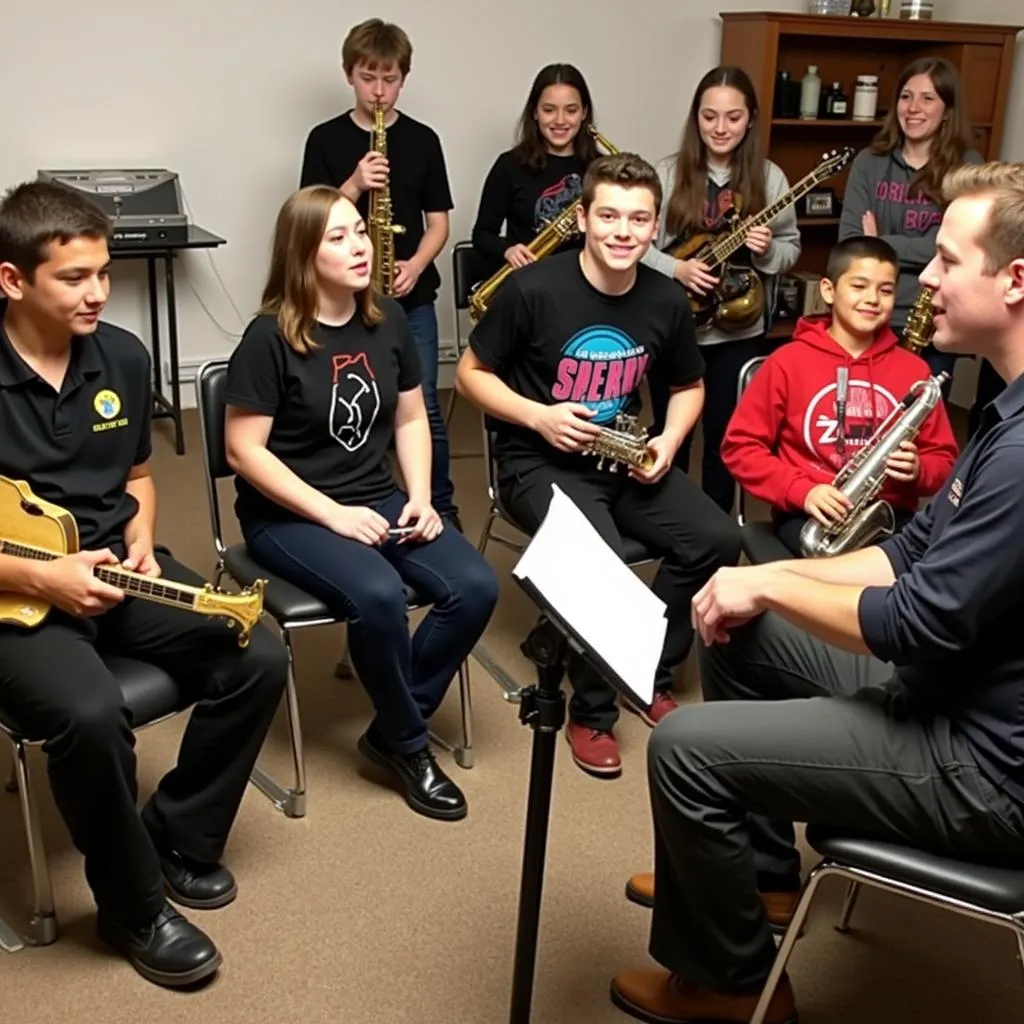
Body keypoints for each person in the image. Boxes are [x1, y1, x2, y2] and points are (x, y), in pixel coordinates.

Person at [612, 161, 1024, 1024]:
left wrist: (770, 583)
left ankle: (728, 986)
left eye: (948, 261)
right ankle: (753, 879)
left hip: (983, 766)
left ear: (1014, 281)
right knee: (740, 627)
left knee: (683, 747)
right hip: (947, 696)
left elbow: (913, 621)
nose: (927, 279)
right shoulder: (1005, 409)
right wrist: (759, 579)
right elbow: (910, 551)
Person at [0, 181, 288, 986]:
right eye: (73, 277)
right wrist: (41, 575)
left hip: (116, 571)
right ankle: (133, 908)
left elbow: (137, 474)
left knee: (255, 655)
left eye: (103, 273)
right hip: (18, 591)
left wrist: (141, 535)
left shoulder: (123, 355)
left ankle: (176, 837)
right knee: (91, 715)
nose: (97, 291)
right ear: (12, 280)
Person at [456, 152, 741, 778]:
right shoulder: (533, 289)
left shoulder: (665, 298)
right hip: (537, 460)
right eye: (608, 215)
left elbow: (689, 386)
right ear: (582, 216)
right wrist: (538, 416)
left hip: (624, 455)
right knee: (599, 559)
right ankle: (590, 712)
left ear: (655, 225)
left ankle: (643, 670)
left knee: (719, 538)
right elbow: (469, 375)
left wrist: (667, 442)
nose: (623, 231)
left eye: (639, 219)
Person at [223, 186, 497, 822]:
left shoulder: (387, 319)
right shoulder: (268, 338)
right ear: (302, 254)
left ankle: (389, 723)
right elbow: (244, 453)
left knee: (475, 585)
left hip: (377, 496)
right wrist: (332, 514)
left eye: (360, 232)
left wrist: (424, 499)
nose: (360, 247)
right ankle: (407, 745)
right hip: (289, 514)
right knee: (376, 595)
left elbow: (410, 419)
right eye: (338, 237)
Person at [299, 18, 459, 527]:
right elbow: (309, 219)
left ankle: (439, 507)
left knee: (424, 408)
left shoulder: (423, 139)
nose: (379, 90)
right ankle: (359, 500)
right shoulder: (324, 138)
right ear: (349, 75)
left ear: (403, 79)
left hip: (409, 297)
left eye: (389, 79)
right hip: (343, 302)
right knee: (348, 408)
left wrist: (415, 264)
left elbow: (439, 224)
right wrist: (353, 183)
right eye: (369, 77)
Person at [721, 235, 958, 556]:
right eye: (859, 286)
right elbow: (741, 449)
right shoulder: (786, 363)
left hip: (889, 513)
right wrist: (803, 491)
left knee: (929, 566)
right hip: (809, 513)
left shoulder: (914, 371)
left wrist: (920, 470)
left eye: (885, 290)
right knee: (836, 574)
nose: (873, 299)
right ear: (828, 291)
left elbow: (944, 460)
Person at [642, 65, 800, 514]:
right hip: (674, 329)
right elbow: (637, 248)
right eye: (709, 116)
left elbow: (791, 251)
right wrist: (676, 269)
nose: (720, 128)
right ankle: (663, 518)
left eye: (732, 117)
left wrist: (768, 251)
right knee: (671, 430)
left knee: (725, 433)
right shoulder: (667, 174)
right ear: (696, 118)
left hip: (737, 334)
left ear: (750, 119)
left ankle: (714, 524)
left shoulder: (769, 179)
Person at [838, 56, 982, 383]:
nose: (913, 107)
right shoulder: (869, 162)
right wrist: (924, 247)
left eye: (927, 98)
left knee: (922, 426)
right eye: (906, 96)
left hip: (935, 322)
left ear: (948, 109)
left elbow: (958, 251)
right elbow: (851, 243)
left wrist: (882, 243)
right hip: (869, 314)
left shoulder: (967, 168)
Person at [471, 63, 600, 276]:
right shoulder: (509, 165)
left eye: (571, 110)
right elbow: (482, 235)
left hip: (587, 285)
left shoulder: (601, 170)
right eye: (549, 110)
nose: (560, 120)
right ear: (535, 112)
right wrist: (508, 251)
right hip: (529, 285)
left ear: (584, 113)